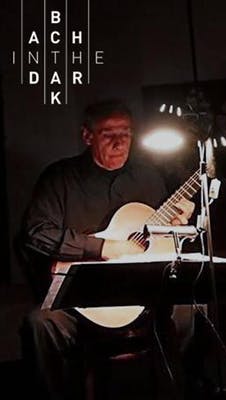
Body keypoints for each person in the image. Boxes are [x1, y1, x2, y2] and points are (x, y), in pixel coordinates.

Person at [17, 99, 198, 400]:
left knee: (191, 309)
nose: (119, 142)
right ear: (87, 136)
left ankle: (179, 390)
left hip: (140, 296)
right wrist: (103, 247)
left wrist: (177, 224)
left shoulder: (148, 177)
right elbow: (36, 233)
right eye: (108, 134)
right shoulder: (60, 178)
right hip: (81, 300)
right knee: (41, 324)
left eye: (125, 133)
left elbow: (162, 239)